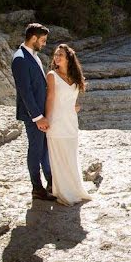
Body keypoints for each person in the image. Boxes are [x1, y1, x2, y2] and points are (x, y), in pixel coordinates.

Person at [11, 23, 56, 202]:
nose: (44, 44)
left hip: (41, 113)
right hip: (34, 116)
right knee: (36, 150)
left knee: (45, 149)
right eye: (43, 40)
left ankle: (51, 182)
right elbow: (25, 92)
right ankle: (37, 188)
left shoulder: (33, 56)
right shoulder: (20, 58)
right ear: (34, 38)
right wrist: (37, 117)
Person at [45, 43, 92, 206]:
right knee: (58, 158)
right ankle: (64, 193)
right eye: (56, 54)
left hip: (71, 121)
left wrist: (73, 107)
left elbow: (71, 98)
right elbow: (50, 99)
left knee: (71, 156)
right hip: (56, 122)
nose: (57, 57)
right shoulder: (52, 74)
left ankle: (77, 189)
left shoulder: (75, 75)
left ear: (68, 59)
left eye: (61, 55)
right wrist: (47, 120)